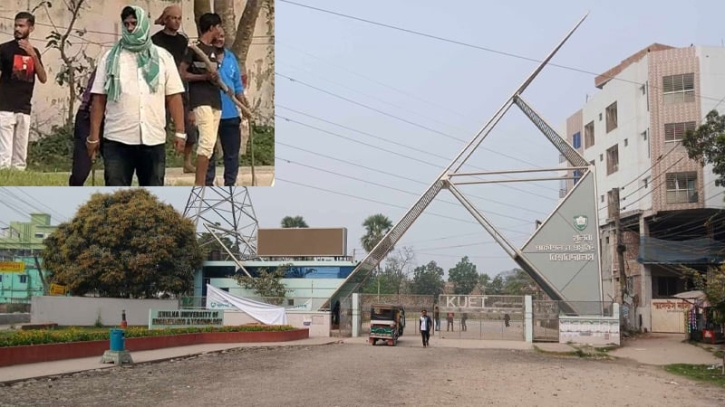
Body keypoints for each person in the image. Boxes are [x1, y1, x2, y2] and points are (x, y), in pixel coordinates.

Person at [88, 5, 186, 186]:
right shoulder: (110, 57)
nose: (130, 28)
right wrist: (93, 137)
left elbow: (173, 96)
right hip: (117, 138)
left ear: (143, 24)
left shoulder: (162, 57)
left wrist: (180, 132)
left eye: (134, 23)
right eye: (126, 24)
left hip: (153, 138)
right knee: (116, 198)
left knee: (153, 197)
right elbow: (99, 99)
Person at [151, 4, 198, 174]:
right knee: (160, 127)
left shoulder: (183, 40)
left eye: (179, 18)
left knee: (190, 128)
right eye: (173, 18)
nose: (176, 21)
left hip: (181, 87)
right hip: (161, 88)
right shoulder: (155, 40)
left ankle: (187, 161)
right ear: (165, 19)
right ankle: (158, 161)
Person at [0, 11, 47, 171]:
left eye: (22, 25)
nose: (17, 29)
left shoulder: (35, 52)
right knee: (4, 155)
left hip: (24, 107)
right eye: (16, 25)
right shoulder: (4, 49)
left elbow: (43, 78)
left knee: (20, 156)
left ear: (31, 28)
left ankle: (18, 177)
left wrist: (33, 55)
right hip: (5, 106)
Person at [180, 12, 223, 186]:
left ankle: (204, 180)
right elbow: (182, 73)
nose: (220, 30)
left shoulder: (214, 51)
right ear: (212, 27)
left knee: (210, 144)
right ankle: (200, 184)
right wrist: (203, 77)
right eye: (218, 26)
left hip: (215, 100)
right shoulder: (194, 48)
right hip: (201, 99)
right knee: (205, 142)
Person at [205, 32, 245, 186]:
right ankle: (207, 183)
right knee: (208, 153)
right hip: (210, 113)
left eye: (222, 36)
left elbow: (238, 86)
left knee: (232, 155)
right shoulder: (205, 58)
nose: (220, 39)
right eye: (217, 36)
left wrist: (245, 108)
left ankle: (230, 184)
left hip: (230, 115)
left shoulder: (231, 58)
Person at [69, 68, 103, 186]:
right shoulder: (107, 63)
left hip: (114, 120)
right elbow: (96, 99)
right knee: (81, 170)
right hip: (87, 116)